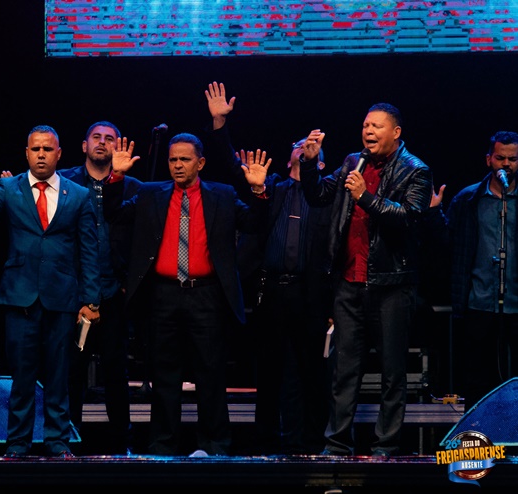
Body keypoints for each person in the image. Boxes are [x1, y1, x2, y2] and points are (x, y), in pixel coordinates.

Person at [104, 132, 271, 456]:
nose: (177, 165)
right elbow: (114, 214)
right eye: (173, 159)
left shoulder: (222, 195)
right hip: (163, 296)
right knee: (164, 376)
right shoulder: (150, 194)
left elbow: (254, 223)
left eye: (184, 159)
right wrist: (116, 177)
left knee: (211, 374)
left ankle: (215, 445)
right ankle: (163, 445)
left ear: (201, 163)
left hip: (206, 296)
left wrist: (258, 190)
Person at [204, 81, 334, 455]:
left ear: (320, 162)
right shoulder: (270, 187)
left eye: (310, 147)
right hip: (272, 291)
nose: (303, 148)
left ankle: (312, 443)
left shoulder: (327, 195)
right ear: (289, 155)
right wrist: (219, 124)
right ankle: (266, 444)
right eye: (298, 145)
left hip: (310, 294)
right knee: (270, 372)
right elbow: (232, 167)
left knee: (311, 373)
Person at [298, 103, 433, 458]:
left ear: (396, 132)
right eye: (365, 125)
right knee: (344, 370)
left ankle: (385, 447)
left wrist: (365, 198)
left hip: (391, 285)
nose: (368, 131)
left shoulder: (416, 170)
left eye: (376, 126)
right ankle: (337, 444)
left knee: (392, 373)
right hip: (348, 283)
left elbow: (409, 217)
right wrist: (309, 164)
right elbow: (319, 195)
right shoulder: (351, 162)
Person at [0, 124, 101, 458]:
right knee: (22, 375)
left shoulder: (78, 194)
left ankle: (58, 441)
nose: (41, 155)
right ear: (27, 153)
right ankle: (17, 443)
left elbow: (89, 250)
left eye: (47, 149)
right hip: (20, 295)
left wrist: (91, 299)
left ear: (59, 153)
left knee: (59, 374)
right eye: (35, 149)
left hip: (62, 297)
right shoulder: (8, 188)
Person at [59, 121, 141, 455]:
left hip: (113, 292)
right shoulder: (63, 182)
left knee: (116, 371)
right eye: (96, 137)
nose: (102, 143)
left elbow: (141, 242)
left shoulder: (133, 187)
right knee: (72, 372)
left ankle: (122, 444)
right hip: (73, 294)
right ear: (84, 145)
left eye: (109, 139)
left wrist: (127, 283)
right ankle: (68, 442)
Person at [445, 131, 518, 412]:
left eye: (513, 159)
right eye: (500, 158)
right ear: (489, 160)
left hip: (515, 303)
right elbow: (447, 246)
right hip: (479, 302)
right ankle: (478, 437)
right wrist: (431, 215)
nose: (506, 164)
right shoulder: (468, 199)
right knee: (477, 379)